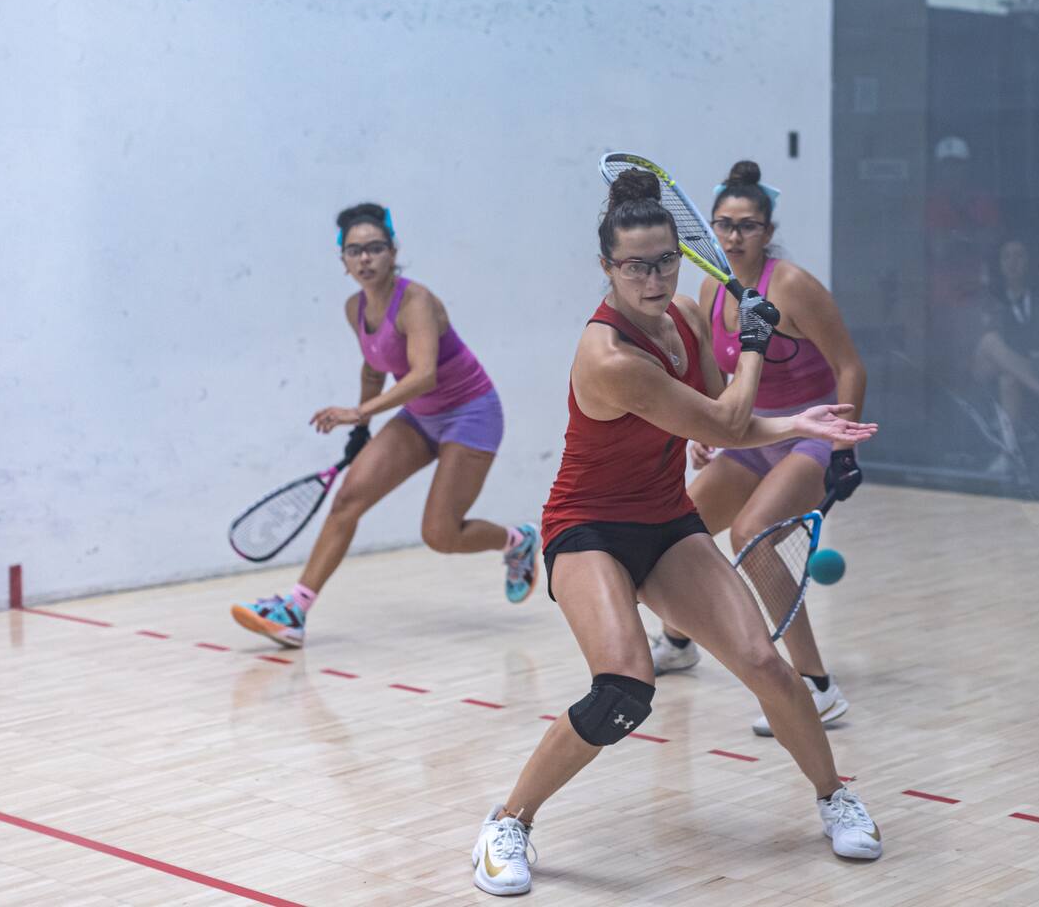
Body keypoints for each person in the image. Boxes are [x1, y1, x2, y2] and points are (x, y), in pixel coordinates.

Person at [468, 171, 883, 897]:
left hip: (665, 520)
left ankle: (833, 795)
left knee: (766, 665)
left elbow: (717, 417)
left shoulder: (687, 319)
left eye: (665, 260)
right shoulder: (608, 357)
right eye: (635, 265)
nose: (653, 277)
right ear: (607, 269)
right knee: (624, 687)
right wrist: (756, 347)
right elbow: (725, 421)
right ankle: (508, 822)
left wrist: (798, 422)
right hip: (587, 528)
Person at [231, 203, 539, 648]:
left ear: (393, 252)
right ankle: (295, 609)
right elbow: (374, 368)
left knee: (440, 534)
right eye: (355, 251)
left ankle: (518, 540)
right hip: (420, 416)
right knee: (348, 499)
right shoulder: (354, 307)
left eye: (375, 248)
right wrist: (363, 428)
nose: (365, 259)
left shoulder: (417, 302)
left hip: (472, 412)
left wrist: (359, 413)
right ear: (343, 261)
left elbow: (422, 375)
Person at [647, 160, 867, 738]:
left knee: (752, 534)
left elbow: (850, 365)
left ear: (767, 232)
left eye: (748, 225)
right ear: (711, 230)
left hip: (810, 437)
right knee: (681, 528)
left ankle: (818, 687)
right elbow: (718, 378)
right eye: (725, 224)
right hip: (752, 440)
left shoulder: (791, 285)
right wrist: (707, 427)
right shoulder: (710, 287)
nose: (735, 236)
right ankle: (676, 641)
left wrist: (844, 450)